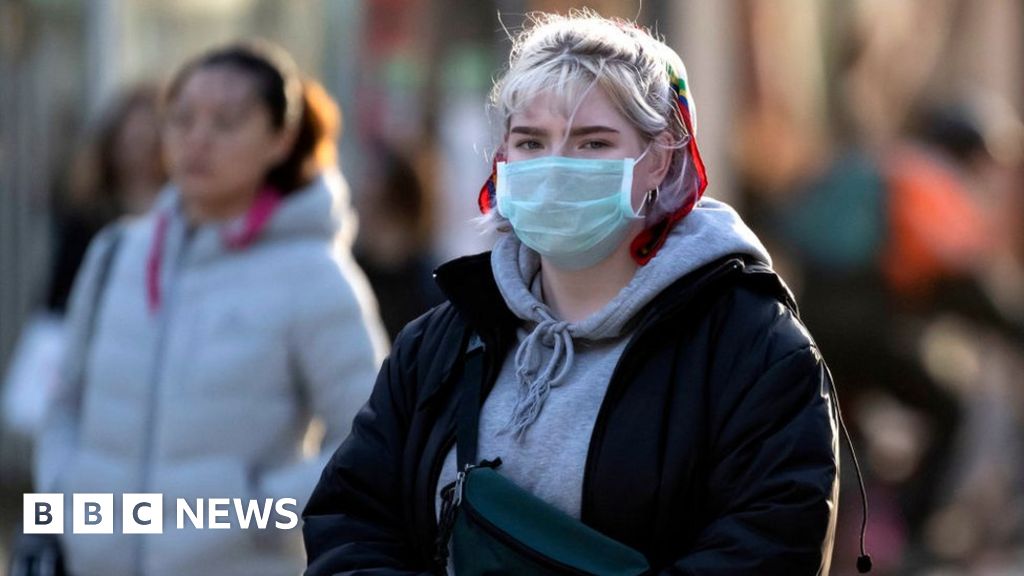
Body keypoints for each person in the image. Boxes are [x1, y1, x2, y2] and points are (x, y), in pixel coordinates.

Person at [304, 11, 846, 575]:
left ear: (658, 160)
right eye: (531, 142)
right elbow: (351, 516)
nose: (556, 165)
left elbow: (771, 545)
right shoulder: (439, 341)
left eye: (592, 143)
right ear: (503, 161)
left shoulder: (752, 347)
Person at [34, 41, 388, 576]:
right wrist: (64, 497)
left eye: (226, 121)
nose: (197, 139)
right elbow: (63, 404)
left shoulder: (315, 276)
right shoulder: (115, 252)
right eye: (181, 119)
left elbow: (369, 441)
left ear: (281, 138)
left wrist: (250, 513)